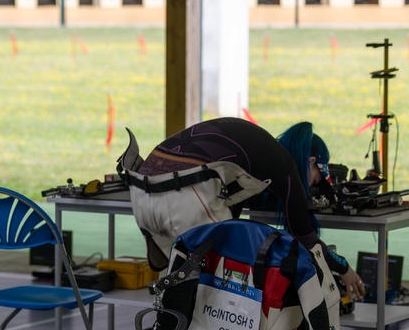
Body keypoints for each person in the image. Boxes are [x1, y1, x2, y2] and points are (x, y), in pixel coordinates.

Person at [118, 117, 364, 299]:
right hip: (184, 200)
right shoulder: (283, 165)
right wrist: (343, 267)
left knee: (189, 296)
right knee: (234, 295)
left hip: (141, 196)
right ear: (311, 161)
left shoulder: (255, 150)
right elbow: (305, 236)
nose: (311, 186)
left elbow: (232, 206)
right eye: (316, 179)